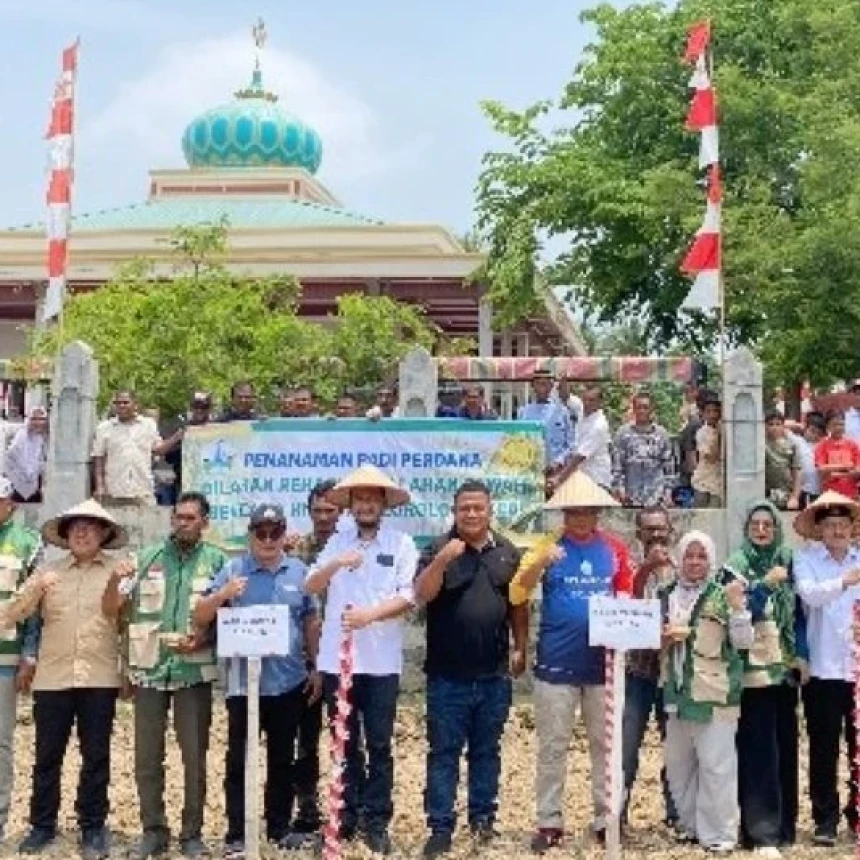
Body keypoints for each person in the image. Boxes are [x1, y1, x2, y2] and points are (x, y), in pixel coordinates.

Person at [508, 471, 633, 853]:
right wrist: (539, 564)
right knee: (553, 746)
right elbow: (517, 592)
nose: (580, 519)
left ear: (597, 514)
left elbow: (626, 594)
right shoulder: (546, 545)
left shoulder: (614, 549)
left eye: (587, 512)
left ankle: (606, 818)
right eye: (573, 512)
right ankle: (549, 820)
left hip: (602, 666)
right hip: (556, 664)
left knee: (604, 746)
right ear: (563, 514)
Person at [3, 499, 132, 859]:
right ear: (64, 534)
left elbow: (121, 619)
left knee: (96, 757)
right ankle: (42, 825)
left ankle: (93, 826)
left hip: (99, 676)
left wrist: (128, 670)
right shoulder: (49, 571)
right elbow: (12, 614)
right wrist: (36, 588)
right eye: (75, 526)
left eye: (90, 526)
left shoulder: (120, 571)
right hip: (52, 677)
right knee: (47, 756)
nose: (82, 532)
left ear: (104, 533)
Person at [103, 492, 229, 859]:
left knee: (194, 757)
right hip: (149, 671)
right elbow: (112, 609)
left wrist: (205, 638)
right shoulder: (146, 559)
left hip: (193, 672)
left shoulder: (218, 562)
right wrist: (113, 581)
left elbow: (228, 615)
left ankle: (192, 834)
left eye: (191, 518)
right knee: (146, 758)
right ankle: (153, 831)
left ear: (205, 523)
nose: (183, 523)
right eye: (178, 517)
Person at [193, 504, 321, 859]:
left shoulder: (300, 571)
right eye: (261, 533)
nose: (268, 540)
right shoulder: (232, 570)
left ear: (284, 534)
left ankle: (279, 827)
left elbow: (310, 621)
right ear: (250, 535)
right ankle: (237, 834)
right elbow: (200, 615)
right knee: (239, 762)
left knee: (283, 759)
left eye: (274, 532)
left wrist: (316, 666)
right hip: (242, 687)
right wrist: (222, 595)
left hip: (288, 683)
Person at [306, 465, 418, 856]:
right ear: (350, 506)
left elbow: (408, 596)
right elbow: (310, 584)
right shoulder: (336, 542)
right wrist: (336, 563)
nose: (366, 505)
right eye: (360, 499)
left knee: (380, 744)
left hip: (382, 663)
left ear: (383, 504)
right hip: (338, 663)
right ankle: (344, 816)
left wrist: (370, 616)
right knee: (343, 742)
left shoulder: (401, 543)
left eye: (373, 499)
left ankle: (377, 821)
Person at [414, 479, 527, 857]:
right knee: (443, 753)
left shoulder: (507, 552)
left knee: (486, 752)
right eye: (465, 508)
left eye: (479, 508)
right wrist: (443, 560)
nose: (472, 514)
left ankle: (483, 820)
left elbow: (518, 604)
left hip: (494, 675)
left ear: (490, 511)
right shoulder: (437, 548)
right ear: (454, 511)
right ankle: (440, 826)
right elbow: (421, 595)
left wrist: (521, 647)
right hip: (447, 677)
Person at [661, 531, 752, 853]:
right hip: (676, 694)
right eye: (689, 555)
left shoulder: (723, 594)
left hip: (714, 693)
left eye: (701, 556)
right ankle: (691, 826)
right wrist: (663, 638)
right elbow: (646, 641)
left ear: (711, 560)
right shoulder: (665, 595)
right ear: (679, 559)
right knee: (679, 767)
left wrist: (739, 609)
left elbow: (743, 642)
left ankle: (720, 835)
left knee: (717, 768)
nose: (695, 562)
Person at [723, 502, 805, 856]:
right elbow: (738, 611)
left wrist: (802, 653)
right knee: (758, 751)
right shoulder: (735, 566)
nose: (761, 530)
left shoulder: (787, 560)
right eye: (755, 524)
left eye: (767, 525)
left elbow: (799, 614)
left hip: (783, 670)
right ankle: (760, 831)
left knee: (785, 747)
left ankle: (785, 826)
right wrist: (764, 585)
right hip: (752, 673)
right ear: (746, 529)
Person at [793, 491, 860, 845]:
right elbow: (810, 594)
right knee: (823, 748)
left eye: (842, 524)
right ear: (820, 530)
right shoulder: (806, 560)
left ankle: (856, 814)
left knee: (858, 747)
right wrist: (844, 582)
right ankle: (825, 819)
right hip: (822, 668)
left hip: (856, 669)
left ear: (852, 527)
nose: (837, 531)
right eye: (830, 525)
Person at [288, 479, 343, 840]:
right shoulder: (296, 552)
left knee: (346, 736)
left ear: (342, 513)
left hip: (344, 661)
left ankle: (346, 810)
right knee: (304, 740)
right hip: (305, 662)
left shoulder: (352, 549)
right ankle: (307, 809)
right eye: (317, 511)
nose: (323, 517)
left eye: (330, 511)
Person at [622, 507, 677, 828]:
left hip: (673, 673)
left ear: (670, 530)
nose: (656, 534)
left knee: (676, 747)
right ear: (638, 533)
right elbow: (625, 602)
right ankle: (617, 814)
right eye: (649, 529)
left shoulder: (684, 563)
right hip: (638, 672)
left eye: (661, 528)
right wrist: (647, 568)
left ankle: (676, 813)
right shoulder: (628, 564)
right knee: (627, 746)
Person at [0, 477, 42, 842]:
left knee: (1, 742)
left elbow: (35, 609)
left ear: (10, 505)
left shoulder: (28, 543)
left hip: (5, 659)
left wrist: (29, 654)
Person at [92, 391, 179, 506]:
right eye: (118, 403)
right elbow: (99, 458)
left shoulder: (148, 425)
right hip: (114, 491)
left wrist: (176, 437)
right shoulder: (104, 428)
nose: (121, 406)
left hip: (142, 490)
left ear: (135, 405)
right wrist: (100, 486)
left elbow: (158, 449)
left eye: (125, 402)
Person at [612, 391, 675, 507]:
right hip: (630, 495)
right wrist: (619, 488)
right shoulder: (623, 433)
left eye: (645, 407)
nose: (642, 411)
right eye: (638, 407)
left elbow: (669, 466)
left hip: (656, 495)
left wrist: (668, 492)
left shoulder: (662, 434)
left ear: (651, 409)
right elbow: (617, 465)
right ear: (634, 409)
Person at [518, 370, 574, 492]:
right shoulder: (523, 412)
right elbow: (519, 442)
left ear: (551, 386)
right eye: (539, 384)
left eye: (546, 384)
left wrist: (558, 462)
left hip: (556, 474)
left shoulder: (562, 412)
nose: (542, 388)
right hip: (531, 473)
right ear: (533, 386)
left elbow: (570, 445)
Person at [4, 408, 49, 503]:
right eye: (34, 419)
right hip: (18, 488)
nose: (38, 422)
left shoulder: (44, 438)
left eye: (41, 419)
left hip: (38, 489)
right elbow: (11, 458)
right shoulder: (21, 437)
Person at [814, 410, 860, 500]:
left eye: (841, 424)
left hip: (851, 495)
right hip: (830, 495)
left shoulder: (853, 445)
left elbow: (858, 469)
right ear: (828, 426)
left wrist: (833, 472)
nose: (839, 428)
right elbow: (821, 469)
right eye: (835, 424)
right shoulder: (822, 446)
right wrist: (846, 466)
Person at [691, 392, 723, 508]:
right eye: (708, 411)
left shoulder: (724, 430)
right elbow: (712, 457)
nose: (712, 415)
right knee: (701, 515)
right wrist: (718, 435)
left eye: (715, 411)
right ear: (703, 414)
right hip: (703, 481)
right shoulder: (702, 433)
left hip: (719, 483)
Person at [764, 412, 801, 511]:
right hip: (765, 494)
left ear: (783, 426)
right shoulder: (761, 445)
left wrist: (795, 497)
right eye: (771, 424)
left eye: (778, 424)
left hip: (786, 495)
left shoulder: (792, 445)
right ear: (765, 426)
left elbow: (797, 472)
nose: (774, 427)